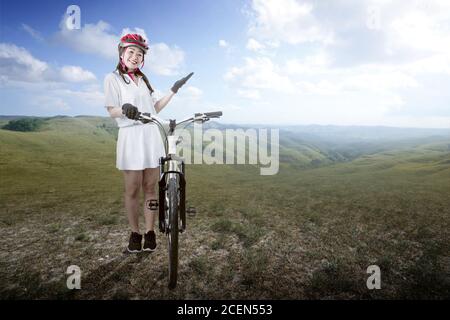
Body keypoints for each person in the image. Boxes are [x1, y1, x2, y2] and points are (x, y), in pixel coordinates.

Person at [104, 33, 192, 253]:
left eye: (139, 53)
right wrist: (124, 109)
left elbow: (155, 108)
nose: (135, 56)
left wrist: (174, 89)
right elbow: (111, 109)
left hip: (151, 136)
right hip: (131, 137)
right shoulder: (113, 79)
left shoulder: (144, 80)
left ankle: (150, 232)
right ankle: (135, 234)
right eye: (131, 52)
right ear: (122, 53)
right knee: (132, 189)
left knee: (150, 188)